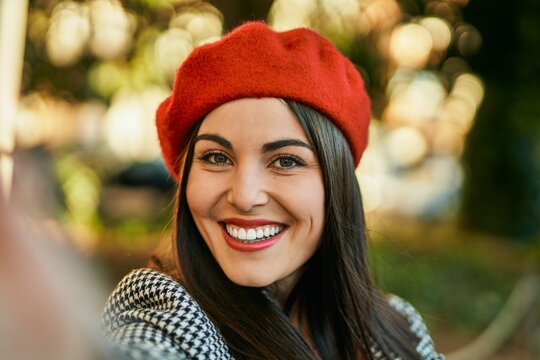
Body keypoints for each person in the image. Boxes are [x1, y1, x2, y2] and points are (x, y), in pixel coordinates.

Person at [102, 21, 445, 360]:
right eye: (217, 157)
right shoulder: (162, 312)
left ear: (336, 184)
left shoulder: (397, 325)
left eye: (286, 161)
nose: (245, 196)